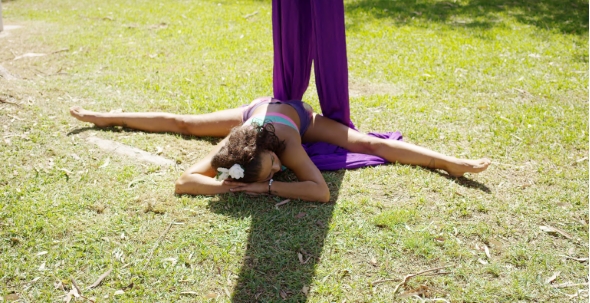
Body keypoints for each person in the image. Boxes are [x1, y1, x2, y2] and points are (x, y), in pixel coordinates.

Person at [69, 97, 490, 202]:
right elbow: (184, 182)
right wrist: (233, 187)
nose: (277, 173)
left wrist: (264, 190)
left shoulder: (287, 146)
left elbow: (320, 191)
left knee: (368, 143)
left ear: (271, 155)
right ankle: (106, 115)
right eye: (273, 174)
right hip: (255, 109)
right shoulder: (235, 146)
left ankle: (447, 162)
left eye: (272, 169)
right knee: (184, 124)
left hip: (298, 117)